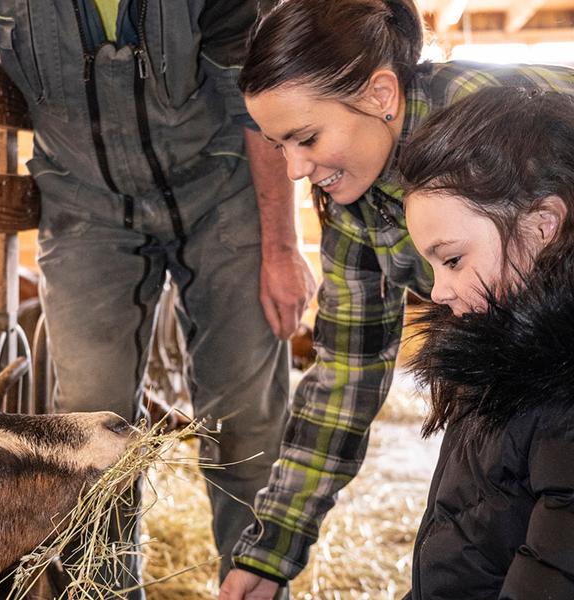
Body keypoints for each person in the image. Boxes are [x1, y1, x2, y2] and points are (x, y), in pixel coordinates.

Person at [0, 0, 316, 597]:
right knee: (86, 421)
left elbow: (254, 93)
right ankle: (102, 590)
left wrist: (282, 245)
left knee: (246, 418)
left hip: (224, 187)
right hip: (85, 208)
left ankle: (255, 583)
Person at [220, 1, 574, 597]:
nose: (295, 169)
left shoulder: (492, 118)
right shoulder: (358, 204)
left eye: (305, 138)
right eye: (280, 145)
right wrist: (270, 551)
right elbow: (346, 372)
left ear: (382, 92)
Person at [400, 86, 574, 599]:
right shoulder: (499, 357)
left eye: (452, 259)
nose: (437, 290)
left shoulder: (559, 397)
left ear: (542, 226)